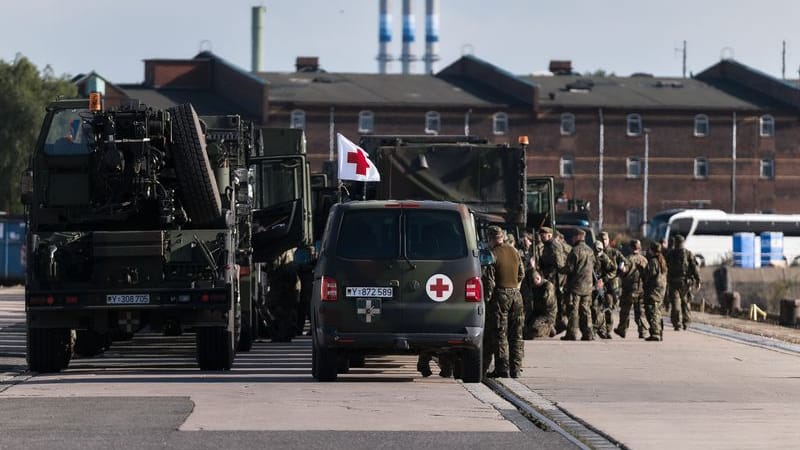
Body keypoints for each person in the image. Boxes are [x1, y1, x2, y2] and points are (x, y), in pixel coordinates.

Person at [483, 225, 525, 378]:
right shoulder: (514, 251)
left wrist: (486, 299)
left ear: (490, 238)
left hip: (500, 296)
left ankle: (502, 368)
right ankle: (516, 368)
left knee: (500, 333)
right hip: (516, 295)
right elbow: (521, 273)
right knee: (517, 334)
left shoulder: (491, 254)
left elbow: (489, 281)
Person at [562, 229, 596, 341]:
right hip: (588, 285)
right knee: (586, 310)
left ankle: (571, 333)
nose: (572, 239)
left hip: (576, 285)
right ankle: (588, 333)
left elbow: (570, 268)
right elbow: (594, 265)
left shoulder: (575, 251)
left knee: (574, 310)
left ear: (578, 237)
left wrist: (560, 269)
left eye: (573, 236)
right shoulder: (590, 251)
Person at [615, 239, 649, 338]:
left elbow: (622, 271)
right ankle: (643, 331)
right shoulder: (644, 260)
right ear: (639, 247)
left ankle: (622, 330)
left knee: (625, 310)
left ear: (631, 247)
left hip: (628, 289)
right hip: (641, 289)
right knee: (640, 311)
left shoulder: (627, 259)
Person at [265, 248, 301, 342]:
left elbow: (274, 265)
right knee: (287, 310)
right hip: (290, 283)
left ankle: (283, 334)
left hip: (284, 282)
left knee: (277, 308)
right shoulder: (288, 248)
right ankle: (286, 334)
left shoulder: (280, 250)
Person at [536, 227, 567, 334]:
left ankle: (554, 326)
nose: (541, 237)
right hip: (550, 277)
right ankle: (556, 325)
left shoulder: (554, 246)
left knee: (552, 304)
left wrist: (557, 280)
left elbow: (559, 265)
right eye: (541, 235)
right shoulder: (547, 246)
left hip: (555, 279)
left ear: (549, 235)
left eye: (543, 235)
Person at [666, 235, 700, 331]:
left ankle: (686, 323)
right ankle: (676, 323)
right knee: (676, 305)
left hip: (685, 284)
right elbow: (664, 267)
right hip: (673, 283)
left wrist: (698, 280)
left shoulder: (688, 254)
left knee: (685, 304)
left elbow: (694, 268)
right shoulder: (670, 254)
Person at [595, 231, 626, 339]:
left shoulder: (614, 252)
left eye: (605, 240)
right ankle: (599, 328)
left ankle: (607, 330)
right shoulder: (595, 251)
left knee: (608, 307)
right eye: (602, 240)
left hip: (611, 285)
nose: (604, 242)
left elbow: (623, 262)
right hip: (598, 284)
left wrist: (622, 267)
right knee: (597, 307)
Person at [643, 241, 668, 341]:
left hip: (654, 289)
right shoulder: (662, 260)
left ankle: (655, 332)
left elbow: (649, 275)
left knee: (652, 310)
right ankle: (659, 331)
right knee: (658, 310)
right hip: (661, 289)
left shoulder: (653, 261)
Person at [526, 271, 557, 338]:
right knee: (525, 328)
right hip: (537, 313)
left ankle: (549, 329)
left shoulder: (548, 286)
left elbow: (548, 303)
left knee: (534, 330)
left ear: (538, 278)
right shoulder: (534, 286)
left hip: (547, 315)